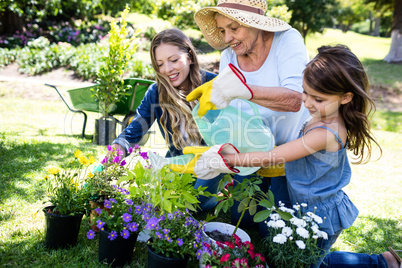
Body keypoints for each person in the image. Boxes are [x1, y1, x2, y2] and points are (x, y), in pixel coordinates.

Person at [178, 45, 400, 268]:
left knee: (306, 263)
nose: (308, 102)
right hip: (304, 205)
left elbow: (273, 156)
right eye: (305, 92)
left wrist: (227, 160)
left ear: (346, 98)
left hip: (321, 215)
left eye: (318, 99)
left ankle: (381, 263)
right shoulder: (322, 114)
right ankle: (384, 262)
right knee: (309, 260)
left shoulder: (325, 133)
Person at [188, 0, 311, 227]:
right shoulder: (230, 57)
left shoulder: (287, 40)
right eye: (223, 31)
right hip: (251, 153)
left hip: (290, 156)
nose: (227, 38)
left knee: (276, 232)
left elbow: (296, 100)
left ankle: (380, 263)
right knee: (240, 220)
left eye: (234, 28)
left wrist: (245, 91)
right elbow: (236, 116)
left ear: (256, 23)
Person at [109, 28, 222, 211]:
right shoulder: (156, 92)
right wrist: (118, 147)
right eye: (160, 64)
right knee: (154, 201)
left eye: (174, 60)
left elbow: (228, 138)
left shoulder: (214, 86)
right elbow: (136, 128)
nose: (167, 70)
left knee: (195, 205)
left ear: (190, 56)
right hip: (177, 165)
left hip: (210, 168)